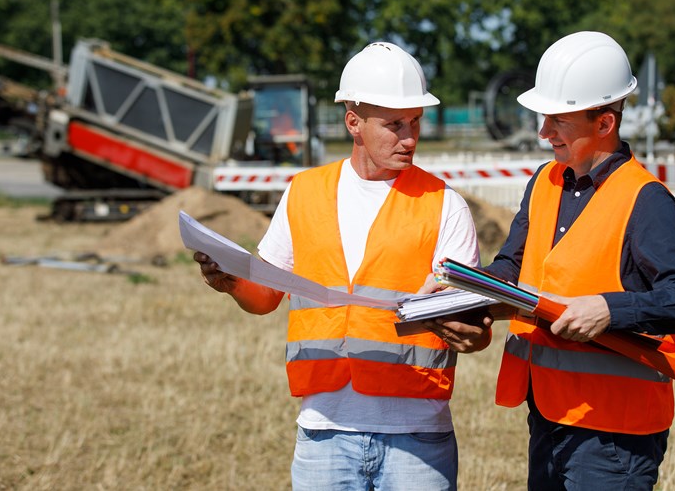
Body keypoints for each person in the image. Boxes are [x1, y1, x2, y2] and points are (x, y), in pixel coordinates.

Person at [193, 42, 492, 491]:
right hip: (323, 433)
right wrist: (231, 280)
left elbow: (472, 326)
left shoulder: (445, 205)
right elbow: (265, 298)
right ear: (354, 122)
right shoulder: (304, 192)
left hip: (417, 438)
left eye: (415, 122)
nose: (409, 137)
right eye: (394, 125)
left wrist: (475, 333)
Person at [484, 31, 675, 490]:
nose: (543, 132)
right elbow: (511, 267)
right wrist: (464, 290)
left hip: (615, 435)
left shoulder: (645, 200)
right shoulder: (545, 182)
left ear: (605, 123)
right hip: (549, 414)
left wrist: (611, 310)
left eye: (557, 120)